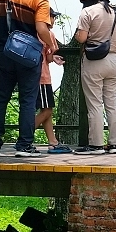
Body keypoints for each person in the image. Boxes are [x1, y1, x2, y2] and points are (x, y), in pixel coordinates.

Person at [0, 0, 59, 158]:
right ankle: (24, 146)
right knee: (27, 100)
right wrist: (52, 45)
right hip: (27, 56)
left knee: (0, 98)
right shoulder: (40, 0)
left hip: (3, 52)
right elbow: (41, 28)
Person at [73, 0, 116, 154]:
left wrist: (78, 34)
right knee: (112, 103)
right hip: (113, 60)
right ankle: (114, 144)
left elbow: (82, 38)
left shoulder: (87, 12)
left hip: (94, 60)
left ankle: (96, 145)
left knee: (95, 103)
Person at [34, 10, 71, 153]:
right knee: (47, 110)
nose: (53, 19)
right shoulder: (46, 34)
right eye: (52, 17)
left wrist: (53, 57)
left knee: (46, 110)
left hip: (37, 75)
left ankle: (53, 141)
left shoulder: (37, 32)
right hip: (41, 77)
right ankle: (24, 137)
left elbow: (48, 57)